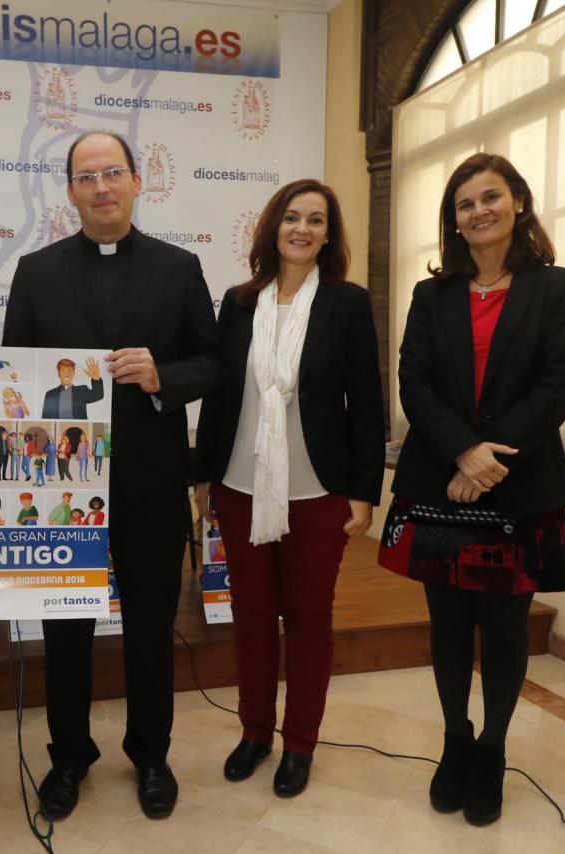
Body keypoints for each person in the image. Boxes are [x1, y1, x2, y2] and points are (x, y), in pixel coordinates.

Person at [4, 130, 222, 820]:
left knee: (151, 628)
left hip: (151, 482)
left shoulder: (179, 266)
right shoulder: (35, 272)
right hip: (61, 487)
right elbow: (14, 378)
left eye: (113, 173)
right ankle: (68, 756)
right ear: (69, 190)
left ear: (137, 180)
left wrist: (163, 377)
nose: (101, 187)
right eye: (86, 176)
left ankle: (150, 754)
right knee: (63, 628)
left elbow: (213, 364)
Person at [378, 153, 565, 826]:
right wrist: (464, 453)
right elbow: (415, 387)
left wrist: (490, 460)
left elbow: (554, 389)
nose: (479, 211)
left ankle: (492, 749)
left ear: (518, 201)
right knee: (448, 626)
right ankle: (454, 740)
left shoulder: (558, 288)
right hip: (442, 478)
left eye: (490, 197)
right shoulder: (430, 296)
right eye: (465, 204)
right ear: (454, 221)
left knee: (503, 630)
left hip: (518, 485)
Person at [195, 179, 385, 798]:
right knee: (250, 616)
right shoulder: (239, 301)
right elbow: (222, 395)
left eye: (316, 220)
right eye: (292, 217)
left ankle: (300, 743)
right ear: (273, 226)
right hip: (241, 484)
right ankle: (255, 733)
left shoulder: (347, 304)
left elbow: (368, 403)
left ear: (329, 235)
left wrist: (364, 489)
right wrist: (201, 474)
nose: (302, 228)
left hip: (318, 490)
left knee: (307, 616)